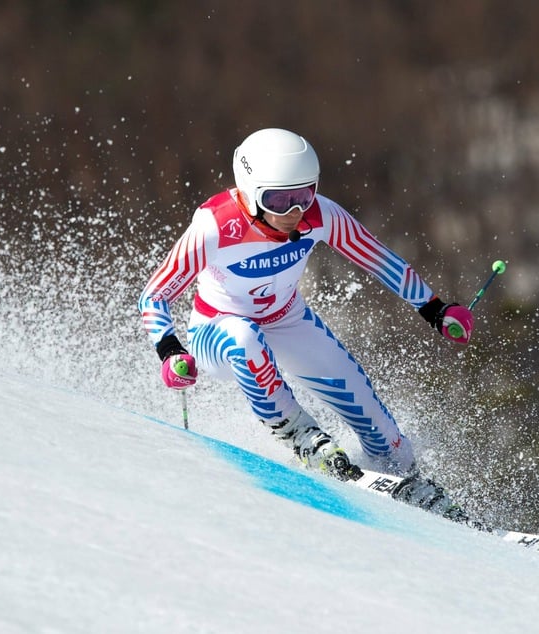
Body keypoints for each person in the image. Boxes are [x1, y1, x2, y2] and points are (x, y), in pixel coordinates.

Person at [138, 128, 474, 519]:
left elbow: (377, 259)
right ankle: (299, 433)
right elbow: (155, 294)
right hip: (217, 331)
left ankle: (404, 477)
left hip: (287, 320)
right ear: (249, 193)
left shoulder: (321, 216)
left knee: (380, 428)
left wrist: (434, 309)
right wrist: (169, 350)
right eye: (279, 199)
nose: (295, 210)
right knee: (244, 337)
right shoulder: (214, 228)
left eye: (305, 193)